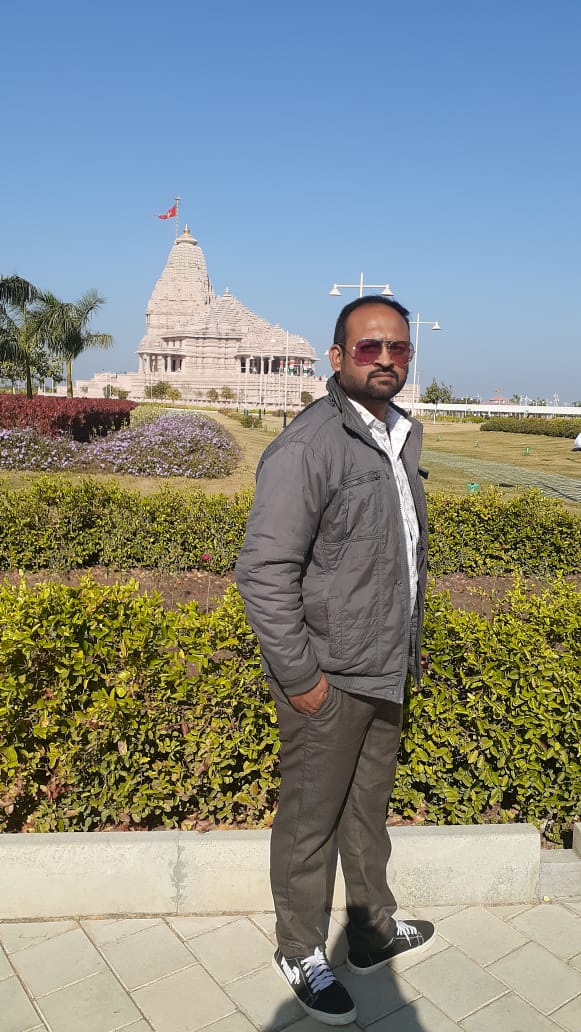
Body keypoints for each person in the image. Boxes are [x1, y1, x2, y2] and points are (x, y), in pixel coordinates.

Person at [235, 296, 435, 1025]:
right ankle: (299, 949)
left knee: (367, 811)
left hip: (384, 666)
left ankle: (371, 931)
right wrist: (302, 680)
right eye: (368, 347)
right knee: (310, 822)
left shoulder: (398, 434)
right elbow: (263, 573)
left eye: (398, 349)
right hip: (329, 678)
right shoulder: (309, 446)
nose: (385, 359)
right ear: (337, 356)